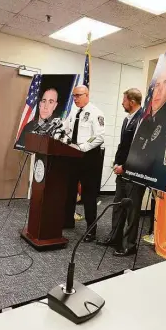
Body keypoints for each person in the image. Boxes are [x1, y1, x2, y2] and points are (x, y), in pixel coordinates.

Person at [97, 88, 146, 256]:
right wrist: (117, 163)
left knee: (132, 211)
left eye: (124, 100)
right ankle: (114, 237)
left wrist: (125, 167)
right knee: (118, 206)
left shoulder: (143, 119)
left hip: (135, 174)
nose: (122, 103)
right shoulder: (127, 119)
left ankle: (129, 245)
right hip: (122, 171)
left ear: (132, 101)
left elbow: (139, 149)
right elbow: (124, 145)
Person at [126, 55, 166, 192]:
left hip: (153, 182)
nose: (158, 91)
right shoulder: (146, 116)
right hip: (134, 174)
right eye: (156, 84)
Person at [63, 85, 105, 242]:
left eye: (78, 95)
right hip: (72, 157)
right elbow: (65, 127)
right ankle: (67, 221)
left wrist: (82, 148)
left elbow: (99, 136)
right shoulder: (74, 112)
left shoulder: (96, 113)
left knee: (88, 196)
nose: (75, 98)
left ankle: (91, 230)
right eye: (74, 96)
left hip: (89, 158)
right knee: (69, 190)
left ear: (87, 95)